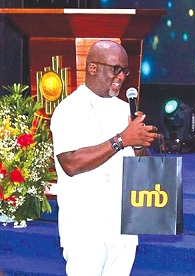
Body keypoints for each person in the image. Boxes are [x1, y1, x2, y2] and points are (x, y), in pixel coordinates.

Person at [50, 40, 159, 276]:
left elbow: (138, 163)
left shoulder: (124, 110)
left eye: (125, 70)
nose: (121, 77)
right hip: (85, 227)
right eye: (115, 69)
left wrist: (140, 144)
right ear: (92, 68)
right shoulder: (69, 109)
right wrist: (122, 139)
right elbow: (71, 163)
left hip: (122, 224)